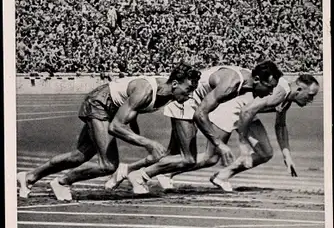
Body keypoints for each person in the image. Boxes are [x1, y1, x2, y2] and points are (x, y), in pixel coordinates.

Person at [17, 62, 201, 201]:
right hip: (100, 104)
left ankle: (28, 177)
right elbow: (116, 127)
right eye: (188, 89)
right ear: (175, 83)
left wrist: (140, 138)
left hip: (108, 108)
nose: (190, 94)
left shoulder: (169, 95)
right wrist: (148, 143)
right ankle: (62, 182)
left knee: (78, 156)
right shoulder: (146, 90)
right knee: (108, 165)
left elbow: (131, 113)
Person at [108, 61, 282, 194]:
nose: (270, 93)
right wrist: (219, 144)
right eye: (269, 87)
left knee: (174, 155)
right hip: (185, 103)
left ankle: (129, 170)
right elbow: (200, 113)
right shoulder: (232, 83)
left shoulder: (244, 83)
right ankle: (138, 175)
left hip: (191, 103)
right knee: (188, 159)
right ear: (257, 79)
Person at [209, 73, 320, 191]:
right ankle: (186, 168)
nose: (310, 100)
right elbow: (246, 111)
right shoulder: (280, 92)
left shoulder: (287, 97)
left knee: (265, 153)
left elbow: (280, 126)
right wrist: (244, 146)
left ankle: (221, 177)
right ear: (299, 89)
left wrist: (287, 156)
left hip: (247, 112)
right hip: (230, 109)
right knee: (209, 159)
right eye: (310, 95)